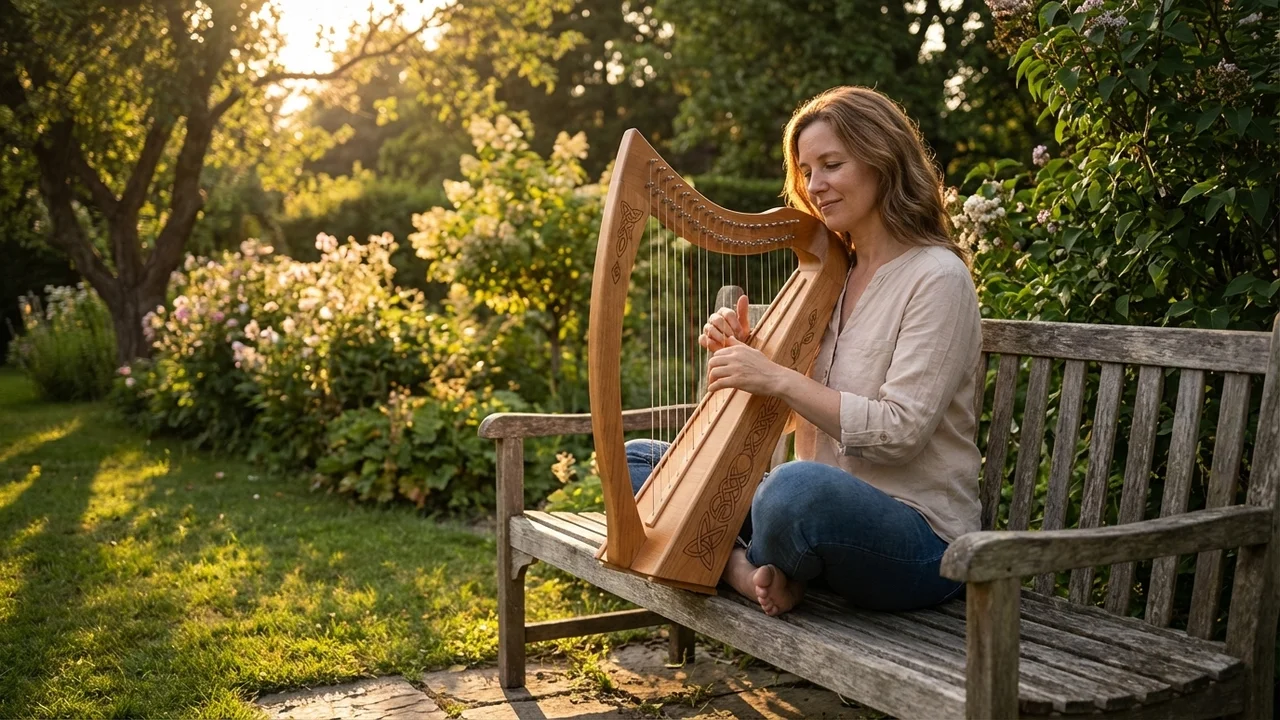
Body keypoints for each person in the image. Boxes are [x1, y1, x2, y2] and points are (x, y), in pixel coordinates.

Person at [625, 86, 982, 617]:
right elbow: (785, 422)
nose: (816, 186)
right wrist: (739, 358)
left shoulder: (937, 278)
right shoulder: (830, 277)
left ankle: (754, 563)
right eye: (807, 171)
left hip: (918, 542)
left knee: (794, 491)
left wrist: (775, 377)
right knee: (642, 461)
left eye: (831, 164)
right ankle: (748, 571)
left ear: (882, 161)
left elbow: (900, 432)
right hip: (815, 520)